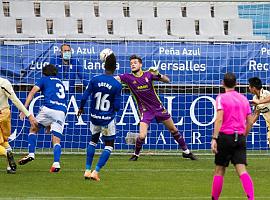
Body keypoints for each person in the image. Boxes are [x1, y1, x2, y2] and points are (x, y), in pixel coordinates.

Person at [115, 55, 197, 161]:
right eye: (131, 64)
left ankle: (186, 152)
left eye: (135, 62)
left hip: (158, 108)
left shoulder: (149, 74)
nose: (132, 65)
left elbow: (167, 80)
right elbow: (115, 79)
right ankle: (136, 155)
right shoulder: (127, 77)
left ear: (140, 64)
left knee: (173, 130)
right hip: (145, 111)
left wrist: (158, 74)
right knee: (142, 136)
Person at [77, 52, 122, 181]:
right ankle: (95, 171)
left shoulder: (95, 79)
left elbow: (85, 96)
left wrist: (81, 108)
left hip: (94, 117)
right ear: (115, 68)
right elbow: (117, 106)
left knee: (93, 141)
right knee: (108, 145)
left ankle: (86, 170)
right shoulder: (116, 84)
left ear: (104, 66)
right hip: (107, 119)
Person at [211, 72, 254, 200]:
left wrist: (214, 138)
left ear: (222, 83)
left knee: (219, 170)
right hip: (239, 137)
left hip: (225, 137)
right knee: (242, 170)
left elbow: (219, 119)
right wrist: (243, 135)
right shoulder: (244, 99)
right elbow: (250, 121)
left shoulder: (221, 98)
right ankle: (251, 198)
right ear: (236, 84)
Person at [18, 64, 67, 173]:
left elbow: (32, 93)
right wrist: (49, 123)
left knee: (33, 128)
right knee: (56, 139)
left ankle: (31, 154)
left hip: (48, 108)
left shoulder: (44, 80)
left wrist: (23, 109)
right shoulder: (60, 82)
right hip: (62, 111)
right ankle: (56, 163)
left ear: (44, 73)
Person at [0, 77, 38, 174]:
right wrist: (29, 115)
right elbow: (15, 100)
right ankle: (10, 167)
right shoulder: (4, 82)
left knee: (3, 145)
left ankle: (6, 153)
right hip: (5, 114)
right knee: (4, 141)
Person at [248, 77, 270, 147]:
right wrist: (249, 124)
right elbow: (256, 114)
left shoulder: (266, 93)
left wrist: (259, 102)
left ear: (253, 88)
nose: (248, 88)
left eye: (249, 86)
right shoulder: (254, 98)